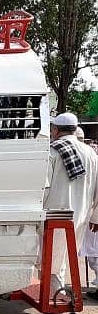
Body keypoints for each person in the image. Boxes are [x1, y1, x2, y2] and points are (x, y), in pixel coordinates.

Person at [44, 112, 98, 293]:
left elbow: (44, 187)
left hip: (55, 213)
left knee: (53, 258)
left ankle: (53, 298)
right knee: (66, 255)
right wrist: (95, 217)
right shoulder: (91, 153)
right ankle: (55, 294)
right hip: (81, 214)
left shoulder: (52, 151)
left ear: (56, 130)